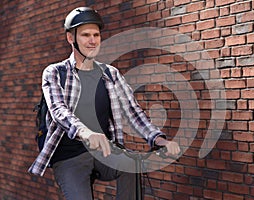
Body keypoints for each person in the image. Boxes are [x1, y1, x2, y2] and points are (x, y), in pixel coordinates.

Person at [28, 6, 180, 200]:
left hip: (105, 152)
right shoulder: (55, 72)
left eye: (96, 35)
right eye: (85, 35)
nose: (92, 40)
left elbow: (133, 112)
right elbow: (59, 110)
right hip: (68, 156)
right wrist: (86, 132)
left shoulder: (110, 74)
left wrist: (158, 139)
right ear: (70, 38)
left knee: (131, 164)